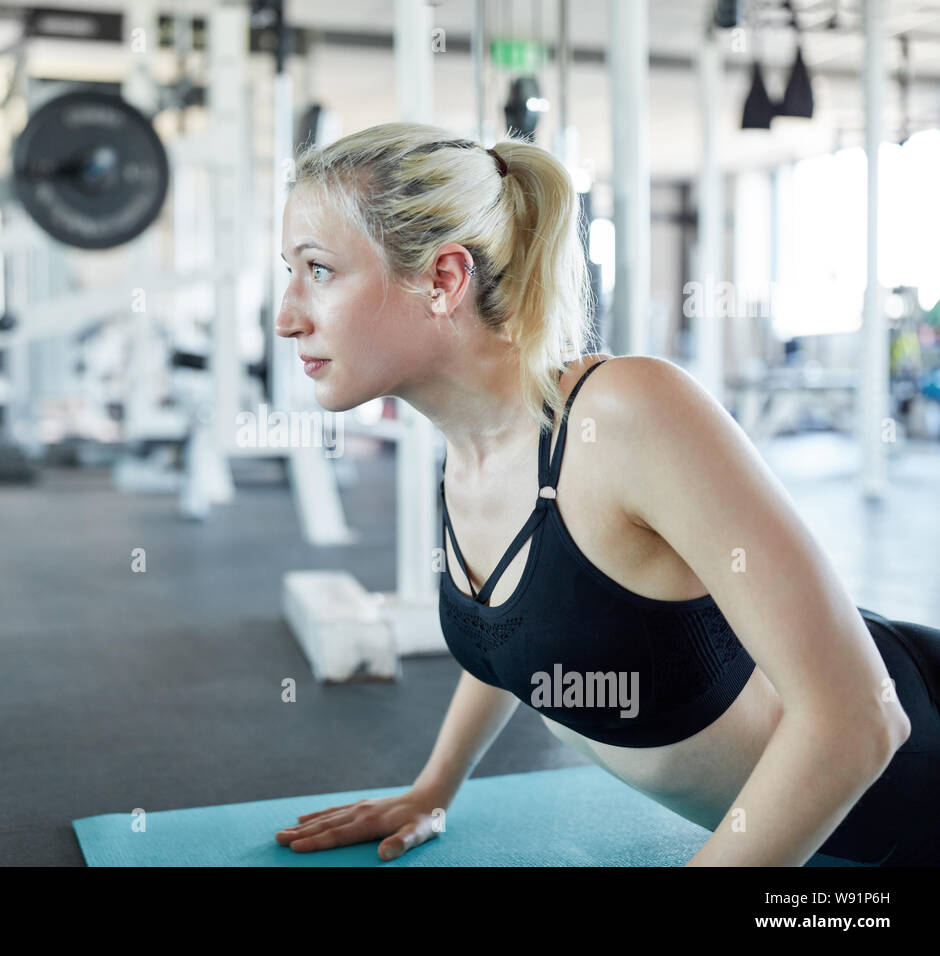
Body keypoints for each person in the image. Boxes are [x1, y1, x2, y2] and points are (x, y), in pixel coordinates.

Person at [271, 122, 940, 866]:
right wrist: (434, 786)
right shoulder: (469, 456)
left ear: (444, 279)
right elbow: (511, 634)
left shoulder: (623, 412)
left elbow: (861, 720)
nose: (286, 315)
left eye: (319, 270)